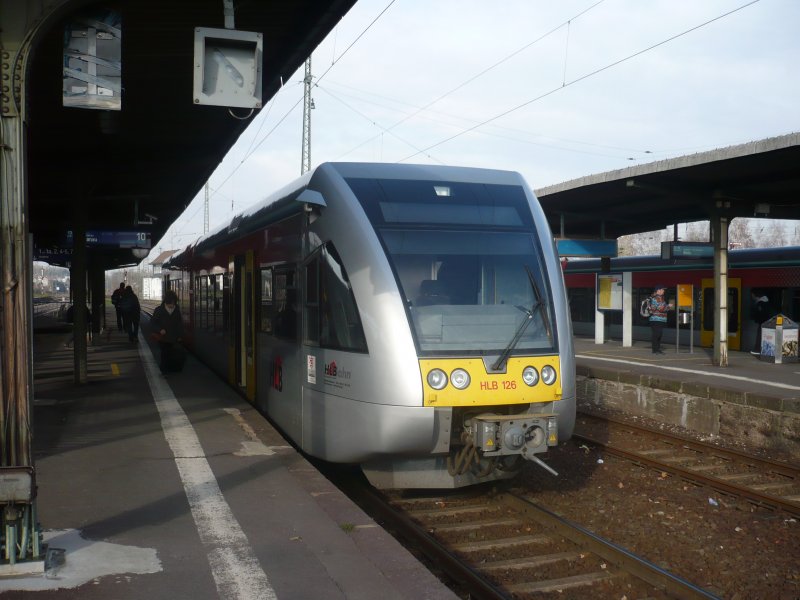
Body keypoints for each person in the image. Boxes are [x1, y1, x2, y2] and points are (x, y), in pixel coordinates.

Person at [151, 290, 185, 372]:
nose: (172, 305)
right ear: (166, 302)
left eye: (173, 303)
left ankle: (173, 369)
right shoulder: (159, 310)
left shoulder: (176, 310)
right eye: (170, 304)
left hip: (174, 337)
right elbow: (153, 323)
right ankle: (164, 370)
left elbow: (179, 324)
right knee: (165, 354)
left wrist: (180, 336)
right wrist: (159, 329)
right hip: (163, 337)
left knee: (173, 353)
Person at [647, 285, 674, 354]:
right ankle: (655, 350)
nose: (663, 291)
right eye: (662, 290)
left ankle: (657, 349)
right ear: (658, 290)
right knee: (657, 334)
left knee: (659, 334)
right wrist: (668, 306)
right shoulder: (657, 298)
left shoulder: (659, 297)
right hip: (656, 319)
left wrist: (666, 306)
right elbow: (661, 308)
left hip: (659, 319)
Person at [750, 289, 773, 356]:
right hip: (768, 323)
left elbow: (761, 315)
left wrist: (756, 319)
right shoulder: (766, 302)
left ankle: (757, 350)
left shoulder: (760, 304)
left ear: (754, 295)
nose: (751, 296)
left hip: (762, 323)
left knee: (760, 336)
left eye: (752, 295)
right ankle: (762, 350)